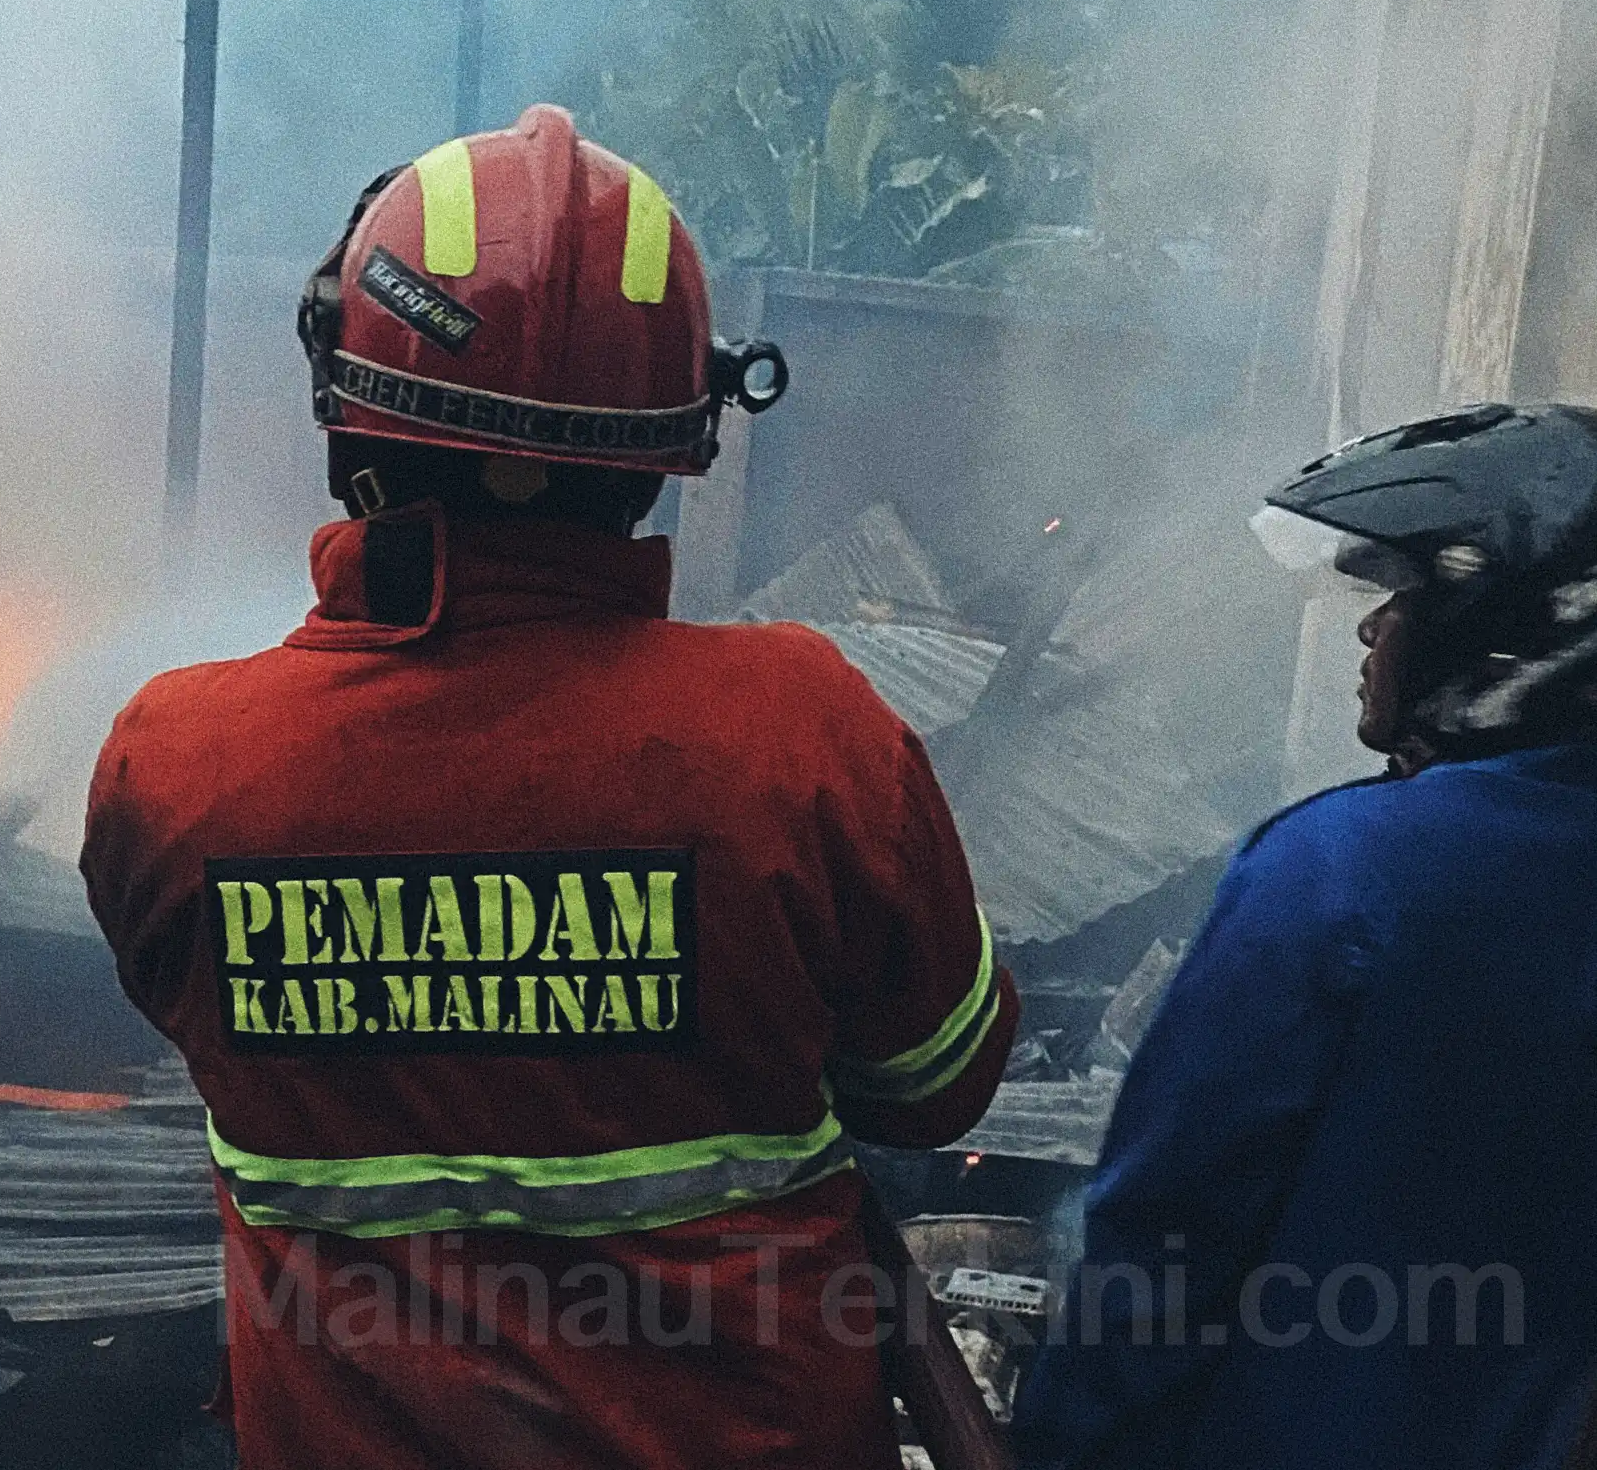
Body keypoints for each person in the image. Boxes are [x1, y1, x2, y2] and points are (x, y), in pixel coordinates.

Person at [80, 104, 1017, 1469]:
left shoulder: (177, 767)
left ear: (351, 413)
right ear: (672, 443)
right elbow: (938, 1085)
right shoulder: (805, 732)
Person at [1014, 404, 1597, 1469]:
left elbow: (1163, 1251)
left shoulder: (1342, 872)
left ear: (1495, 626)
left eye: (1407, 597)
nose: (1374, 630)